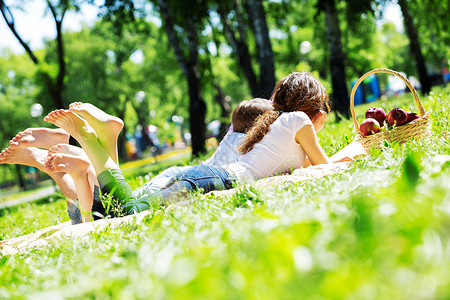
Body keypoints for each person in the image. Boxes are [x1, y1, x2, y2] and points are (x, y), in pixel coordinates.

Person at [43, 72, 352, 217]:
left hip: (203, 176)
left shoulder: (273, 122)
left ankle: (98, 148)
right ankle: (89, 140)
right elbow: (322, 167)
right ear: (314, 110)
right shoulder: (299, 121)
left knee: (118, 212)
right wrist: (355, 153)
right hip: (212, 181)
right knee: (131, 211)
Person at [0, 98, 272, 223]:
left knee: (113, 200)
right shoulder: (263, 141)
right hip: (194, 177)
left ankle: (96, 140)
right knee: (108, 210)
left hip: (179, 173)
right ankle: (80, 148)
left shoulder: (230, 137)